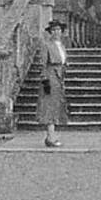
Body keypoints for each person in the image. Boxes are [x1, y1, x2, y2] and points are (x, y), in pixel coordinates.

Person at [38, 19, 70, 147]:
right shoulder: (46, 45)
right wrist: (45, 79)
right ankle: (51, 136)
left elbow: (63, 61)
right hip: (50, 75)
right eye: (54, 30)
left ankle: (50, 135)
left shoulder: (61, 45)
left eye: (58, 30)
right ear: (50, 32)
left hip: (59, 76)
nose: (56, 32)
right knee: (49, 104)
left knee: (56, 104)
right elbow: (43, 63)